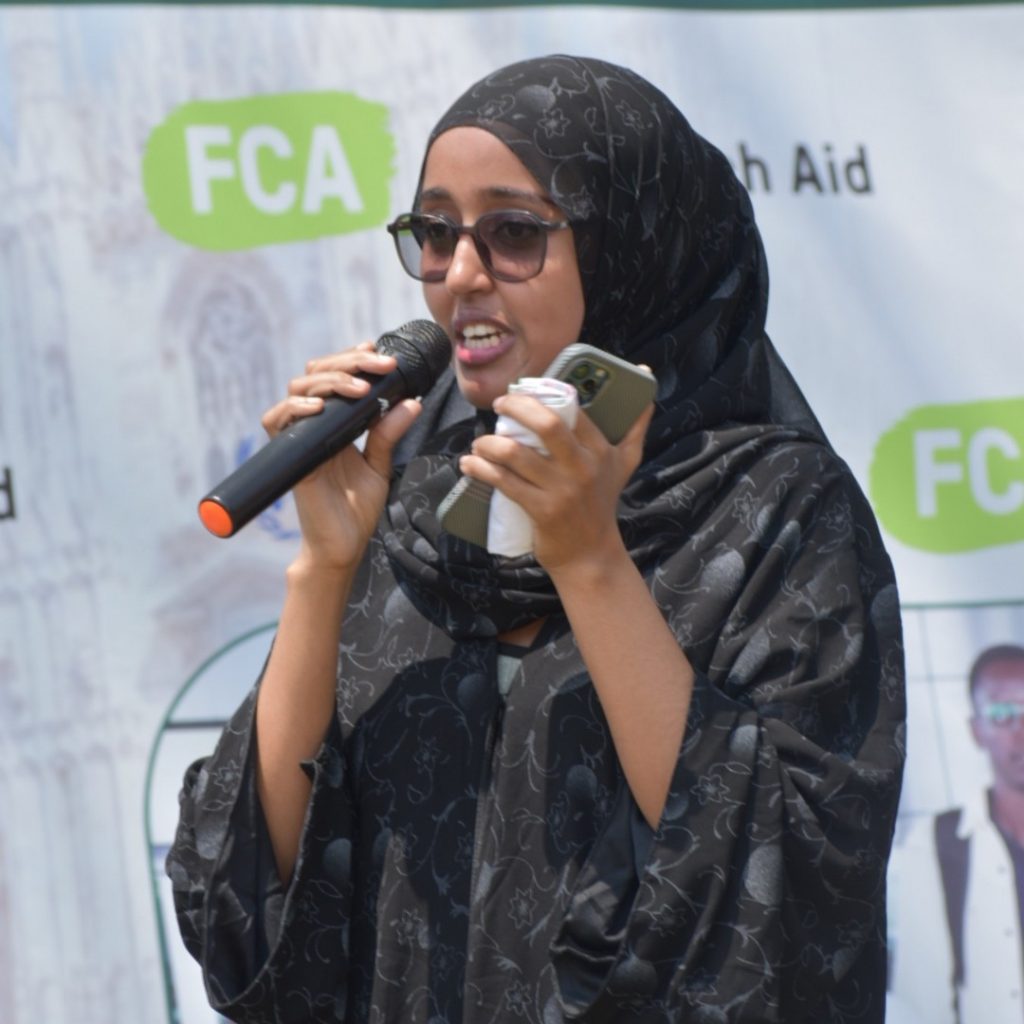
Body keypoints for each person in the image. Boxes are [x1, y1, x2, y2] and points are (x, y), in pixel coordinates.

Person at [167, 54, 906, 1023]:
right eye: (434, 233)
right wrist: (324, 568)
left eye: (513, 232)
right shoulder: (416, 514)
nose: (460, 275)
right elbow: (247, 908)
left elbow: (788, 900)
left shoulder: (776, 515)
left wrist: (588, 558)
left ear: (632, 248)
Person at [888, 643, 1024, 1023]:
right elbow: (922, 1001)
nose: (1021, 732)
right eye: (1002, 714)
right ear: (977, 730)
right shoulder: (935, 843)